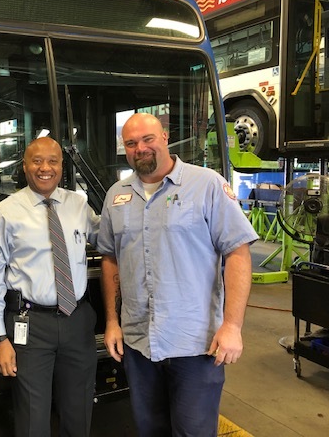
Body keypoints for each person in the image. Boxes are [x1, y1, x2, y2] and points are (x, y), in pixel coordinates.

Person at [97, 113, 258, 436]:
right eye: (131, 143)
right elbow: (111, 259)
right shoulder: (116, 195)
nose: (140, 148)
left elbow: (238, 254)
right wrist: (113, 323)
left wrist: (232, 326)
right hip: (139, 343)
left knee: (193, 431)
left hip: (196, 345)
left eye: (147, 139)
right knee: (150, 429)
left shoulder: (206, 184)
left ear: (165, 138)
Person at [0, 136, 100, 437]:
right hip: (30, 325)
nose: (45, 168)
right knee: (33, 416)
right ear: (25, 166)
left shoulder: (78, 205)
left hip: (77, 320)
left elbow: (109, 239)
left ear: (61, 165)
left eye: (53, 161)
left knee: (79, 408)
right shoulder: (6, 212)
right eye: (37, 161)